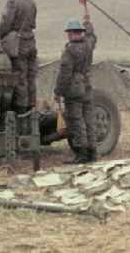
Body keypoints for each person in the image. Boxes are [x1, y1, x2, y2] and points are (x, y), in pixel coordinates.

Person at [54, 15, 97, 164]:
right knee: (89, 120)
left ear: (71, 33)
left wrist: (58, 92)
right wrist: (88, 22)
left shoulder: (70, 51)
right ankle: (92, 152)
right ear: (81, 32)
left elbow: (64, 74)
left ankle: (81, 154)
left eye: (68, 33)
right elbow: (92, 36)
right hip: (87, 87)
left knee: (76, 121)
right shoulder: (88, 45)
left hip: (74, 90)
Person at [0, 0, 37, 111]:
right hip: (31, 41)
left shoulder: (12, 3)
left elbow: (5, 24)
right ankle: (32, 104)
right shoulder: (31, 2)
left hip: (18, 44)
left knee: (20, 77)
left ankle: (22, 109)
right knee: (31, 76)